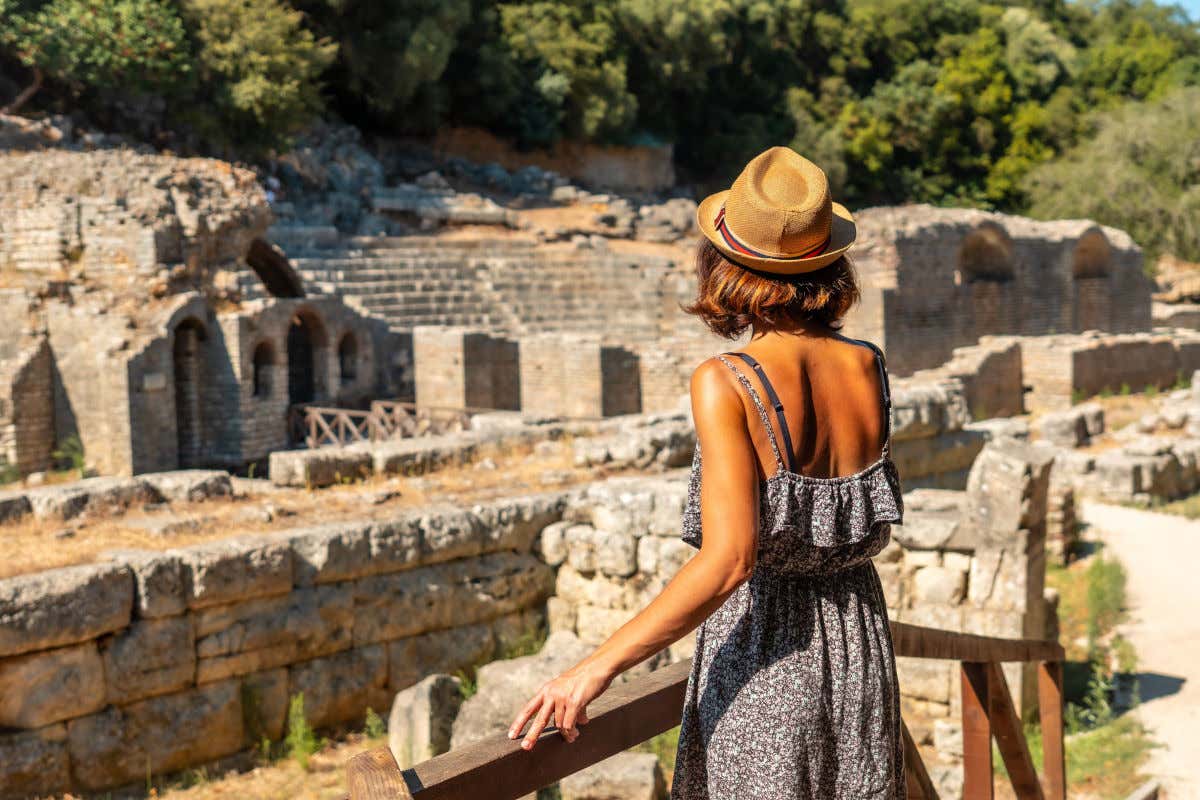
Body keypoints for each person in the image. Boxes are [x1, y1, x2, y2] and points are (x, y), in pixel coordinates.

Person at [507, 146, 905, 799]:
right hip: (860, 647)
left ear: (724, 264)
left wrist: (593, 669)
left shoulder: (727, 382)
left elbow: (729, 563)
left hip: (769, 661)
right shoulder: (869, 366)